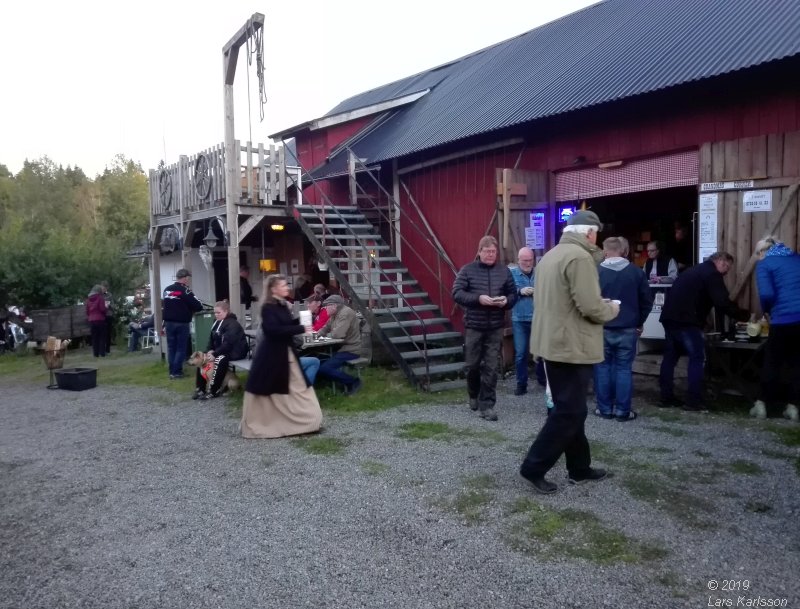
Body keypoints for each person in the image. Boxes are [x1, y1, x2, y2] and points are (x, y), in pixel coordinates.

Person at [519, 210, 619, 494]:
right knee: (569, 411)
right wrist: (611, 308)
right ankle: (533, 467)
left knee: (572, 410)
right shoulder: (579, 258)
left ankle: (579, 468)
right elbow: (590, 306)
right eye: (596, 232)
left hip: (553, 343)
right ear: (589, 232)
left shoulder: (551, 255)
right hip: (570, 346)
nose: (597, 238)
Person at [658, 251, 748, 411]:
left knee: (670, 359)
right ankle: (693, 401)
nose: (727, 271)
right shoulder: (712, 274)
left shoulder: (693, 270)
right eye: (727, 266)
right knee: (697, 358)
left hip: (669, 318)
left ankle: (666, 397)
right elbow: (722, 302)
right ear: (720, 261)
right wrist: (742, 315)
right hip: (687, 321)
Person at [241, 274, 322, 438]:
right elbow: (273, 331)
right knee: (273, 390)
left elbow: (286, 325)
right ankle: (276, 424)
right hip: (273, 355)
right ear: (273, 289)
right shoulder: (267, 308)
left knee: (299, 388)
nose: (287, 287)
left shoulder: (283, 305)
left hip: (287, 353)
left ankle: (308, 420)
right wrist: (301, 329)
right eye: (283, 285)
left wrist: (304, 317)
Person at [452, 235, 518, 421]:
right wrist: (478, 299)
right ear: (479, 252)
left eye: (493, 252)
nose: (490, 255)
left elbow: (513, 294)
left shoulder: (504, 271)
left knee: (490, 367)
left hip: (495, 326)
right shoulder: (467, 270)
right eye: (487, 251)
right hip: (474, 325)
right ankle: (473, 393)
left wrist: (506, 301)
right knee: (472, 365)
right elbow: (457, 293)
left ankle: (487, 405)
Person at [595, 236, 653, 421]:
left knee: (602, 368)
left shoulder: (595, 272)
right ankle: (622, 411)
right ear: (624, 251)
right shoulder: (636, 272)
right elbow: (647, 302)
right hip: (628, 328)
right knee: (623, 369)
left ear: (605, 251)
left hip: (601, 328)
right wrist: (639, 322)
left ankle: (604, 409)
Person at [750, 236, 800, 422]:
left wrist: (767, 311)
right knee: (797, 364)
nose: (758, 257)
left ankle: (761, 405)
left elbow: (767, 293)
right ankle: (793, 407)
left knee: (772, 362)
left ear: (763, 252)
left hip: (783, 319)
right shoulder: (797, 259)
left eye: (757, 254)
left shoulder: (765, 264)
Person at [192, 301, 249, 400]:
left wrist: (215, 353)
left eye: (219, 313)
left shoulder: (233, 324)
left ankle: (214, 390)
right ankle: (200, 389)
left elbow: (228, 343)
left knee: (219, 359)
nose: (216, 315)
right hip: (222, 350)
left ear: (226, 311)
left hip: (235, 351)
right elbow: (211, 339)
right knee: (202, 358)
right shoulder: (216, 322)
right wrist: (209, 350)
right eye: (215, 312)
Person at [509, 247, 545, 396]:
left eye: (530, 260)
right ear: (518, 260)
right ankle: (521, 384)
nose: (528, 263)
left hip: (538, 318)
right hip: (519, 319)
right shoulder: (511, 274)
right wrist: (519, 291)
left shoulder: (540, 273)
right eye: (524, 260)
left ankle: (542, 380)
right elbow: (506, 292)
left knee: (541, 352)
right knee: (521, 354)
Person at [316, 295, 363, 395]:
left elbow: (338, 334)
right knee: (317, 360)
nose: (325, 309)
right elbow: (325, 327)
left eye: (326, 306)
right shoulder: (335, 314)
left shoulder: (345, 313)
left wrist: (327, 334)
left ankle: (353, 381)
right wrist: (316, 335)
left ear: (334, 306)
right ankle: (329, 383)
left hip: (351, 349)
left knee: (324, 368)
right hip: (341, 348)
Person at [162, 268, 204, 379]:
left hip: (169, 323)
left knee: (171, 348)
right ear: (185, 278)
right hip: (182, 323)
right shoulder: (185, 290)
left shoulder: (167, 290)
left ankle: (172, 371)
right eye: (188, 278)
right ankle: (177, 372)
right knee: (181, 348)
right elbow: (198, 305)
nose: (188, 280)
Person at [86, 285, 108, 358]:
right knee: (102, 337)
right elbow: (102, 309)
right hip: (100, 319)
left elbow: (87, 311)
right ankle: (102, 353)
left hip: (92, 320)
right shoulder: (100, 298)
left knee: (94, 337)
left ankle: (95, 353)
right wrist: (105, 311)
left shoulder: (88, 299)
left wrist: (90, 316)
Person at [101, 281, 114, 354]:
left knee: (108, 332)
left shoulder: (109, 295)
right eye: (102, 288)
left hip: (108, 315)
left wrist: (109, 305)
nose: (103, 289)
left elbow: (113, 305)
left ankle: (107, 349)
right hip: (101, 316)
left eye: (105, 288)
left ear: (107, 288)